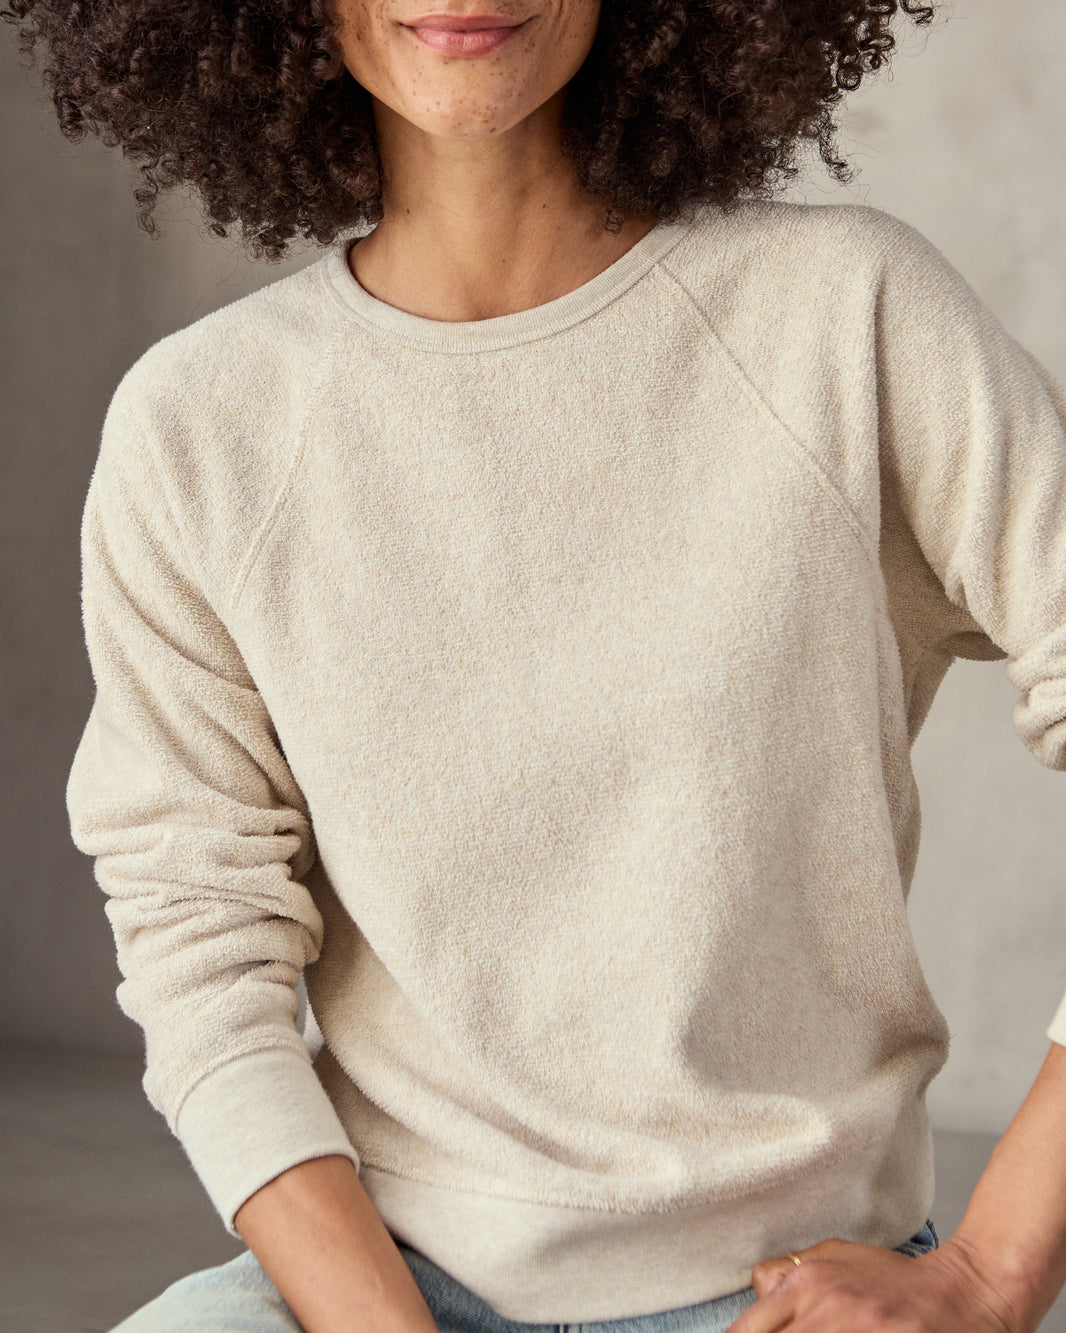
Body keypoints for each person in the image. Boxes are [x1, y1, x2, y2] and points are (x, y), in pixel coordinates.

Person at [6, 0, 1066, 1328]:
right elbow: (198, 957)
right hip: (374, 1289)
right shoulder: (201, 428)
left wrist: (989, 1272)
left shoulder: (845, 316)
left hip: (778, 1296)